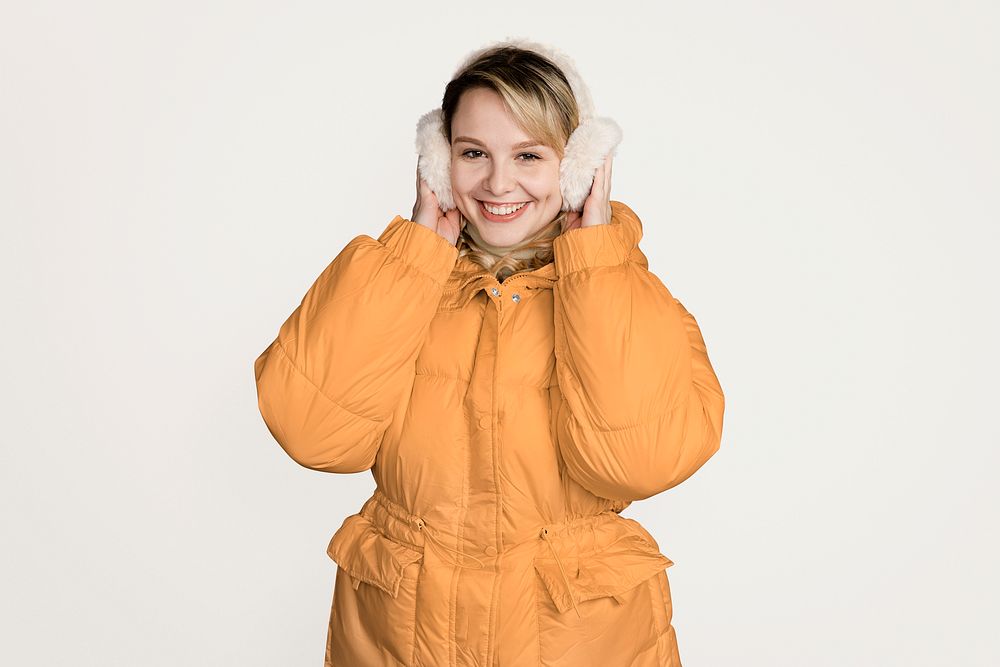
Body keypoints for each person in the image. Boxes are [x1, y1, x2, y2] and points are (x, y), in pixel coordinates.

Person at [253, 39, 725, 667]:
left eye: (528, 155)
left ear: (579, 167)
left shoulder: (619, 288)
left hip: (578, 643)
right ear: (438, 161)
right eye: (473, 153)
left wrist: (595, 258)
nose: (498, 182)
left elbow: (638, 461)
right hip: (404, 640)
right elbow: (311, 433)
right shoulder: (402, 281)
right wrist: (416, 252)